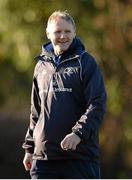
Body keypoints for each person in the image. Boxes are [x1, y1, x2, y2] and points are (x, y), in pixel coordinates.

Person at [22, 10, 106, 179]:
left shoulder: (86, 62)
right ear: (48, 33)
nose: (63, 36)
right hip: (43, 160)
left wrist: (78, 134)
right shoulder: (40, 66)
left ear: (74, 32)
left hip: (79, 158)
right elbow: (36, 112)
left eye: (67, 31)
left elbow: (97, 104)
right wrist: (30, 149)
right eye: (57, 31)